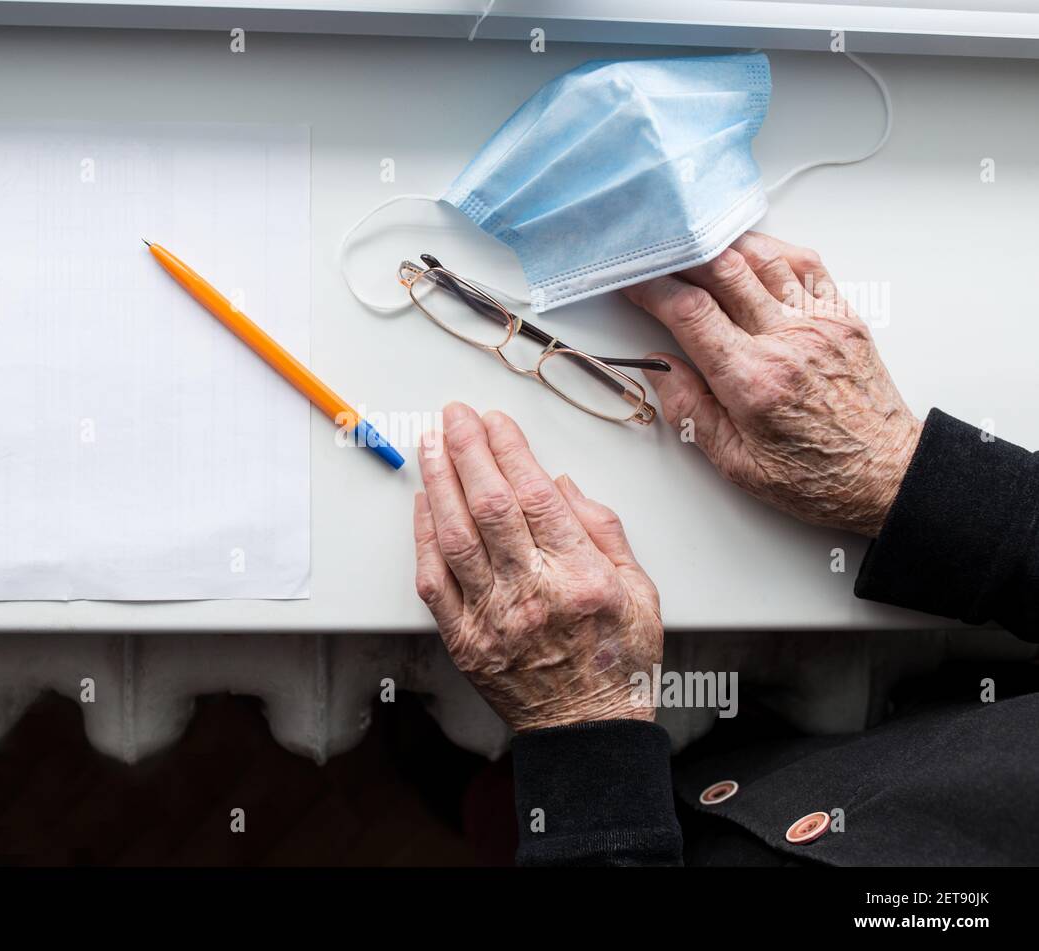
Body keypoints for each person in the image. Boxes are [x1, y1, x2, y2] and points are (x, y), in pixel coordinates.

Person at [412, 231, 1039, 866]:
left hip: (696, 818)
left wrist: (580, 733)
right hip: (842, 753)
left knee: (472, 800)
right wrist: (899, 473)